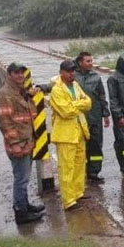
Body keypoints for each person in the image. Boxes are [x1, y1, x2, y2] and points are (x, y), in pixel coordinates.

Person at [0, 62, 46, 224]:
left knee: (24, 176)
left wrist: (29, 95)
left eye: (22, 73)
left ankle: (25, 205)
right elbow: (5, 122)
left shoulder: (19, 91)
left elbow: (28, 111)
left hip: (27, 140)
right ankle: (21, 213)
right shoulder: (5, 94)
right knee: (21, 179)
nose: (20, 76)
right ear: (9, 74)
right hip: (18, 143)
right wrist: (15, 143)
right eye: (16, 73)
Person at [49, 60, 92, 210]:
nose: (72, 74)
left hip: (79, 131)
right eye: (68, 71)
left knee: (80, 165)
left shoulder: (75, 85)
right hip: (65, 135)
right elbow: (65, 112)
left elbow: (89, 103)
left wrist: (75, 105)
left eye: (73, 71)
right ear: (61, 72)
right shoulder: (57, 90)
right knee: (66, 168)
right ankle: (69, 201)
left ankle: (78, 193)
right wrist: (79, 105)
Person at [74, 52, 110, 183]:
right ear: (80, 62)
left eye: (91, 61)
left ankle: (94, 172)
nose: (91, 63)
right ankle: (81, 172)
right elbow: (56, 86)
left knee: (96, 145)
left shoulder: (96, 77)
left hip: (95, 117)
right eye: (87, 61)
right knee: (81, 146)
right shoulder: (73, 77)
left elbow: (102, 96)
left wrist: (106, 114)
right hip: (79, 118)